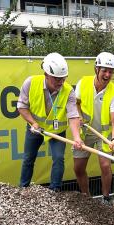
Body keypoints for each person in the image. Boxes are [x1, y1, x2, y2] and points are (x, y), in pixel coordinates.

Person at [17, 52, 82, 191]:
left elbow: (73, 115)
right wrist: (33, 123)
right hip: (35, 128)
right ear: (46, 74)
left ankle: (55, 191)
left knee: (58, 159)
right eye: (56, 78)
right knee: (28, 158)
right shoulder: (31, 83)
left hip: (57, 131)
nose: (60, 82)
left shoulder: (68, 91)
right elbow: (22, 107)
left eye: (63, 78)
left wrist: (77, 138)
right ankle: (23, 188)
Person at [73, 52, 114, 205]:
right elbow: (76, 103)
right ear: (96, 69)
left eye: (110, 71)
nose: (107, 74)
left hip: (103, 134)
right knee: (78, 168)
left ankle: (105, 198)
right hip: (85, 132)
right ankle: (87, 198)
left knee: (105, 165)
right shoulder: (84, 83)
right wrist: (79, 116)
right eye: (104, 70)